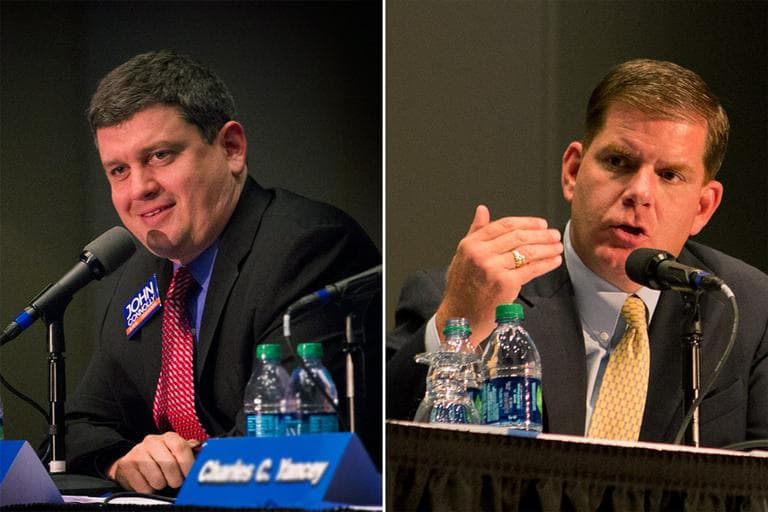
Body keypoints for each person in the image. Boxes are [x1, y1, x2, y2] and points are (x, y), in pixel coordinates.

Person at [387, 59, 768, 448]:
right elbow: (373, 447)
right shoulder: (466, 295)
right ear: (573, 171)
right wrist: (459, 321)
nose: (640, 192)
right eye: (618, 161)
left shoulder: (747, 308)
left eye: (669, 175)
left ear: (703, 207)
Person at [65, 50, 381, 493]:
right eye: (119, 170)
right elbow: (79, 426)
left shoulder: (310, 249)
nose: (139, 188)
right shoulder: (141, 277)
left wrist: (170, 467)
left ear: (231, 148)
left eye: (159, 155)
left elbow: (281, 441)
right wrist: (123, 460)